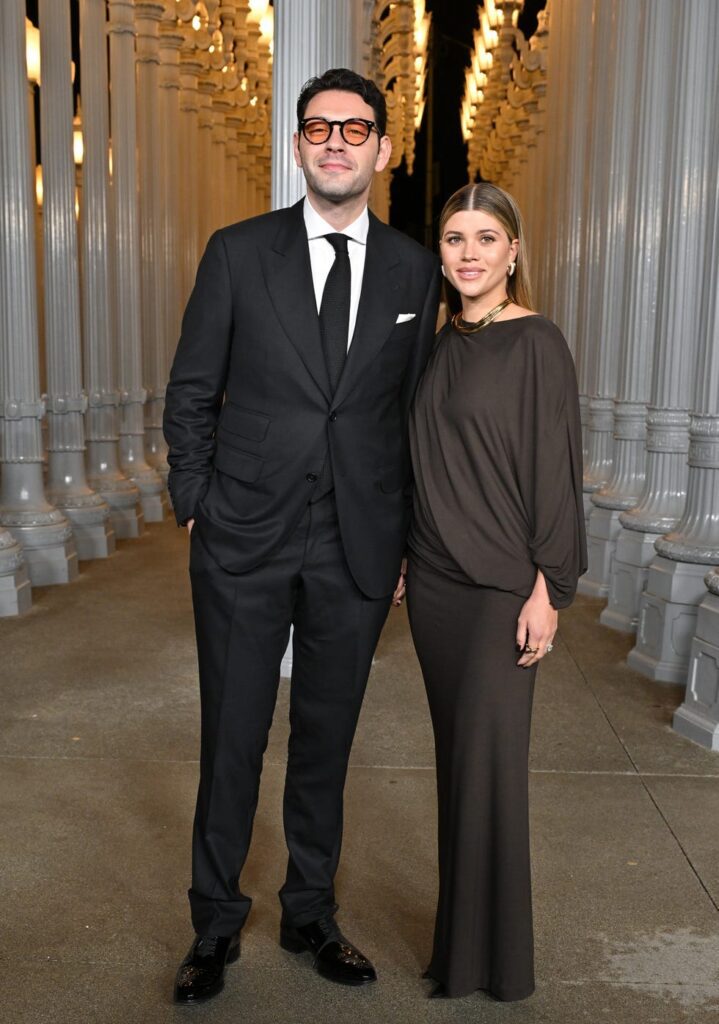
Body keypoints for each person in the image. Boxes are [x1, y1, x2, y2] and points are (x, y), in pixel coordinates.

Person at [163, 67, 441, 1004]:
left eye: (354, 129)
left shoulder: (412, 269)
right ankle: (212, 923)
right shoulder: (239, 253)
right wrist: (195, 497)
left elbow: (411, 413)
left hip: (356, 545)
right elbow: (192, 387)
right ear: (297, 146)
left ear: (381, 150)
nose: (335, 142)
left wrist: (406, 539)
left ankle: (311, 912)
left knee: (326, 738)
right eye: (318, 127)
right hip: (241, 535)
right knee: (232, 736)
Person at [402, 182, 586, 1002]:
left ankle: (495, 964)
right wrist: (407, 556)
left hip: (501, 590)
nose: (467, 253)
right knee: (457, 768)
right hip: (436, 585)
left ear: (514, 251)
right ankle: (460, 952)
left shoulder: (536, 344)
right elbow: (419, 464)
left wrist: (548, 588)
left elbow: (555, 473)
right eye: (452, 239)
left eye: (484, 238)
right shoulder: (437, 344)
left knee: (489, 770)